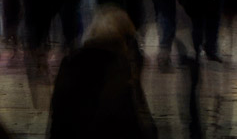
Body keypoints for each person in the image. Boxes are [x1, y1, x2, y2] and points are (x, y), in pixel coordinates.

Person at [46, 8, 155, 139]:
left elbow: (56, 115)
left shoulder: (69, 63)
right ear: (122, 38)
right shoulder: (119, 69)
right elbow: (133, 123)